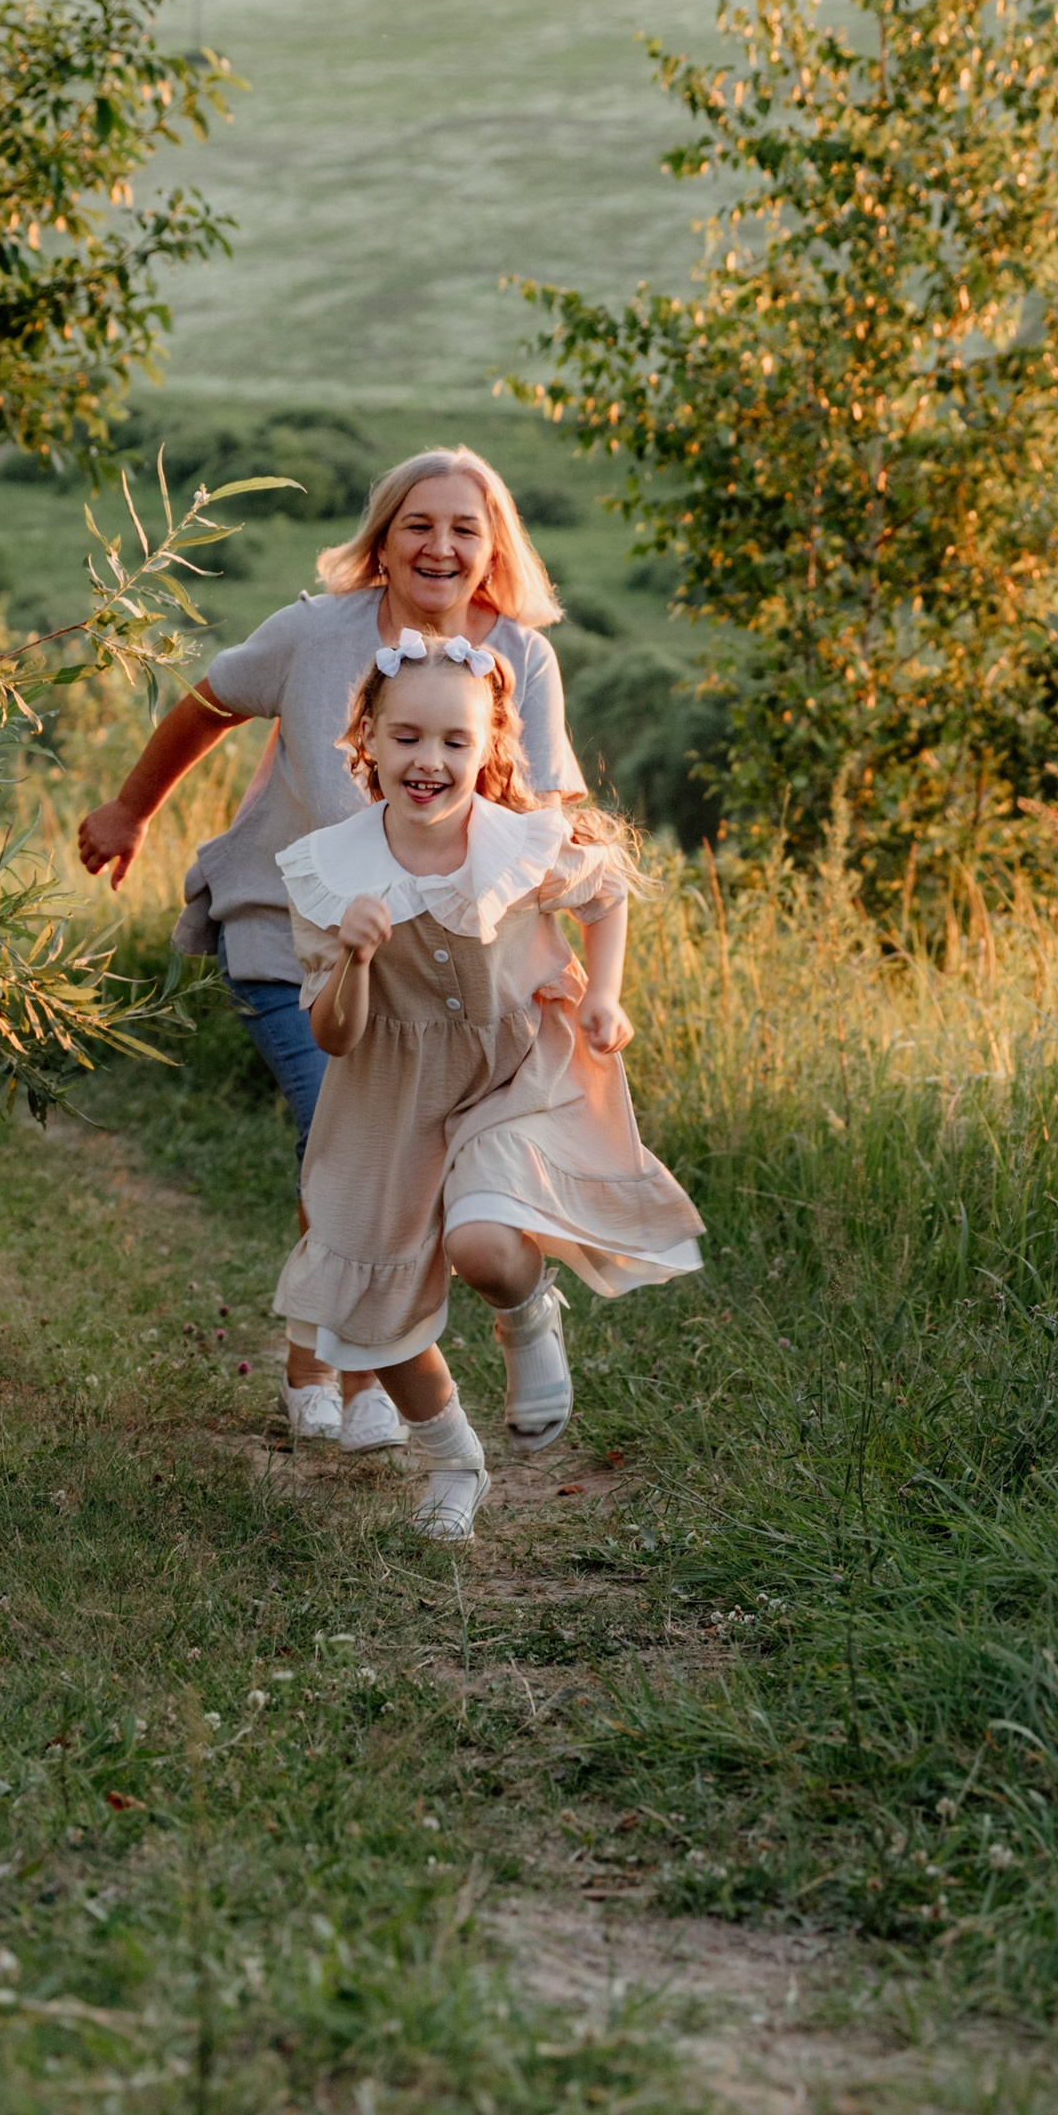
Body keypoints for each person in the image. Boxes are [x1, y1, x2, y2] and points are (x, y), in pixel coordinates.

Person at [75, 445, 583, 1450]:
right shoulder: (314, 636)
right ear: (383, 543)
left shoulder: (518, 657)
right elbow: (209, 701)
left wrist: (567, 957)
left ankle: (360, 1363)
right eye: (418, 525)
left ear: (492, 552)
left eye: (464, 529)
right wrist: (131, 808)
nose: (440, 545)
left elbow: (548, 811)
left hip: (450, 970)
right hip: (289, 934)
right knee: (341, 1142)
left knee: (418, 1169)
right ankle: (344, 1375)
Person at [272, 629, 701, 1542]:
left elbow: (606, 891)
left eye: (454, 742)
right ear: (369, 742)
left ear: (487, 747)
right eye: (407, 738)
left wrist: (607, 998)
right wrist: (352, 957)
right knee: (369, 1309)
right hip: (386, 1092)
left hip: (513, 1070)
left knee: (484, 1241)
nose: (429, 761)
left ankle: (525, 1313)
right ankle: (451, 1458)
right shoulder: (329, 870)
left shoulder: (513, 842)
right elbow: (332, 1034)